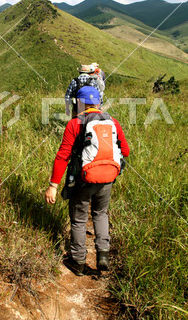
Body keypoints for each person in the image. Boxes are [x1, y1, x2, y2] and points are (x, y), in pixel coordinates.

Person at [45, 86, 130, 276]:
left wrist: (53, 185)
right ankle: (103, 255)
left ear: (79, 103)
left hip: (83, 181)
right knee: (100, 213)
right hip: (107, 179)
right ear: (98, 103)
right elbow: (126, 151)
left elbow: (62, 157)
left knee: (79, 220)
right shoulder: (113, 122)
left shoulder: (74, 124)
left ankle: (79, 262)